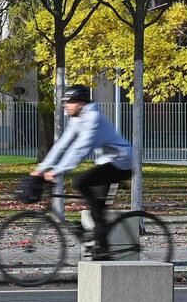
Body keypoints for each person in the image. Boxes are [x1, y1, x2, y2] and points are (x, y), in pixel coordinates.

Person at [31, 85, 132, 258]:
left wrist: (57, 170)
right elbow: (62, 145)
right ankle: (103, 252)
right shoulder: (78, 119)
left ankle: (101, 231)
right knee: (97, 210)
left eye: (69, 102)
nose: (65, 106)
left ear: (81, 103)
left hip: (122, 163)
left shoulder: (93, 119)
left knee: (81, 182)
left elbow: (79, 150)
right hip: (108, 162)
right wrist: (41, 169)